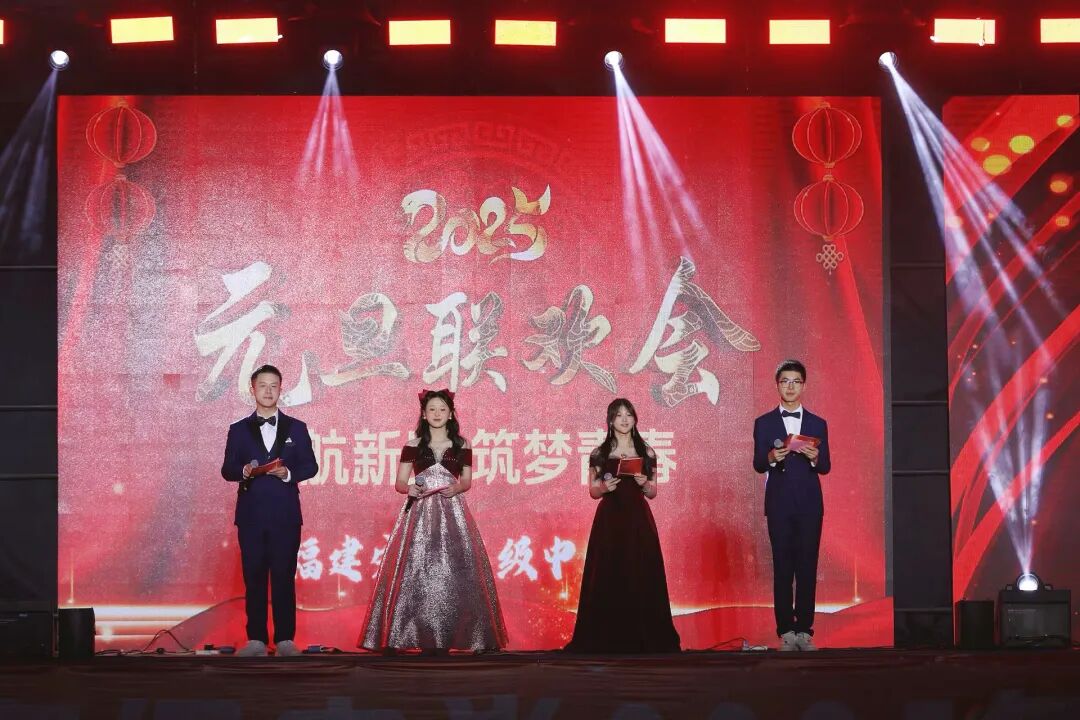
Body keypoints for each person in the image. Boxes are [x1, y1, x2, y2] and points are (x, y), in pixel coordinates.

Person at [359, 388, 507, 653]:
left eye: (442, 409)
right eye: (432, 409)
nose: (437, 414)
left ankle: (463, 636)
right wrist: (410, 489)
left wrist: (457, 488)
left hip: (453, 512)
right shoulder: (413, 445)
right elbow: (400, 482)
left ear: (450, 414)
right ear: (424, 414)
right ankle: (411, 635)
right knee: (416, 570)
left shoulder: (462, 444)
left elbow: (467, 481)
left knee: (457, 569)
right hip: (420, 512)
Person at [565, 398, 681, 653]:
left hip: (638, 519)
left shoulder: (647, 452)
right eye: (619, 415)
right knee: (608, 573)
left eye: (629, 414)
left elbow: (653, 492)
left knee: (641, 571)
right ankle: (606, 637)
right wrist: (604, 487)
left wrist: (644, 483)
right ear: (610, 420)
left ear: (635, 418)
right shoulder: (599, 453)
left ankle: (645, 635)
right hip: (609, 521)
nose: (625, 419)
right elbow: (593, 492)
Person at [221, 364, 319, 657]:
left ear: (280, 389)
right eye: (262, 385)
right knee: (253, 576)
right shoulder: (238, 429)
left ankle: (285, 639)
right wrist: (243, 470)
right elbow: (227, 469)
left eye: (273, 385)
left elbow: (310, 465)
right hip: (251, 515)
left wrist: (289, 473)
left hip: (285, 515)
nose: (268, 390)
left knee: (283, 576)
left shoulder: (296, 427)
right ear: (252, 389)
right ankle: (256, 640)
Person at [753, 359, 831, 651]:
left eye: (796, 381)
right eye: (785, 381)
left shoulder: (817, 423)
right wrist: (772, 457)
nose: (790, 386)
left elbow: (825, 466)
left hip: (810, 504)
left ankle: (805, 631)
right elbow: (758, 463)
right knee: (783, 567)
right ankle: (786, 631)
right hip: (779, 504)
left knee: (807, 567)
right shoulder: (764, 422)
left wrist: (814, 456)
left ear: (803, 386)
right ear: (777, 385)